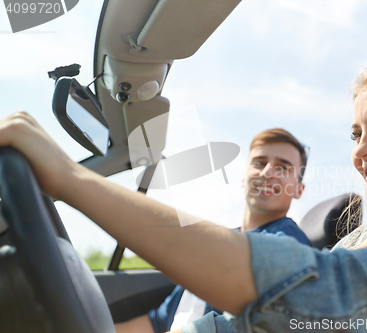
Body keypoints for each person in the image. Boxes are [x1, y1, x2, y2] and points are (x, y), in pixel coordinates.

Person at [2, 47, 367, 332]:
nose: (362, 149)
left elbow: (330, 295)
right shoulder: (359, 243)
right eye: (355, 133)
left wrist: (73, 180)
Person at [114, 128, 312, 333]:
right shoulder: (216, 244)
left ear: (298, 189)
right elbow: (158, 321)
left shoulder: (288, 244)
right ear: (244, 178)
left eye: (282, 168)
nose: (267, 172)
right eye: (259, 162)